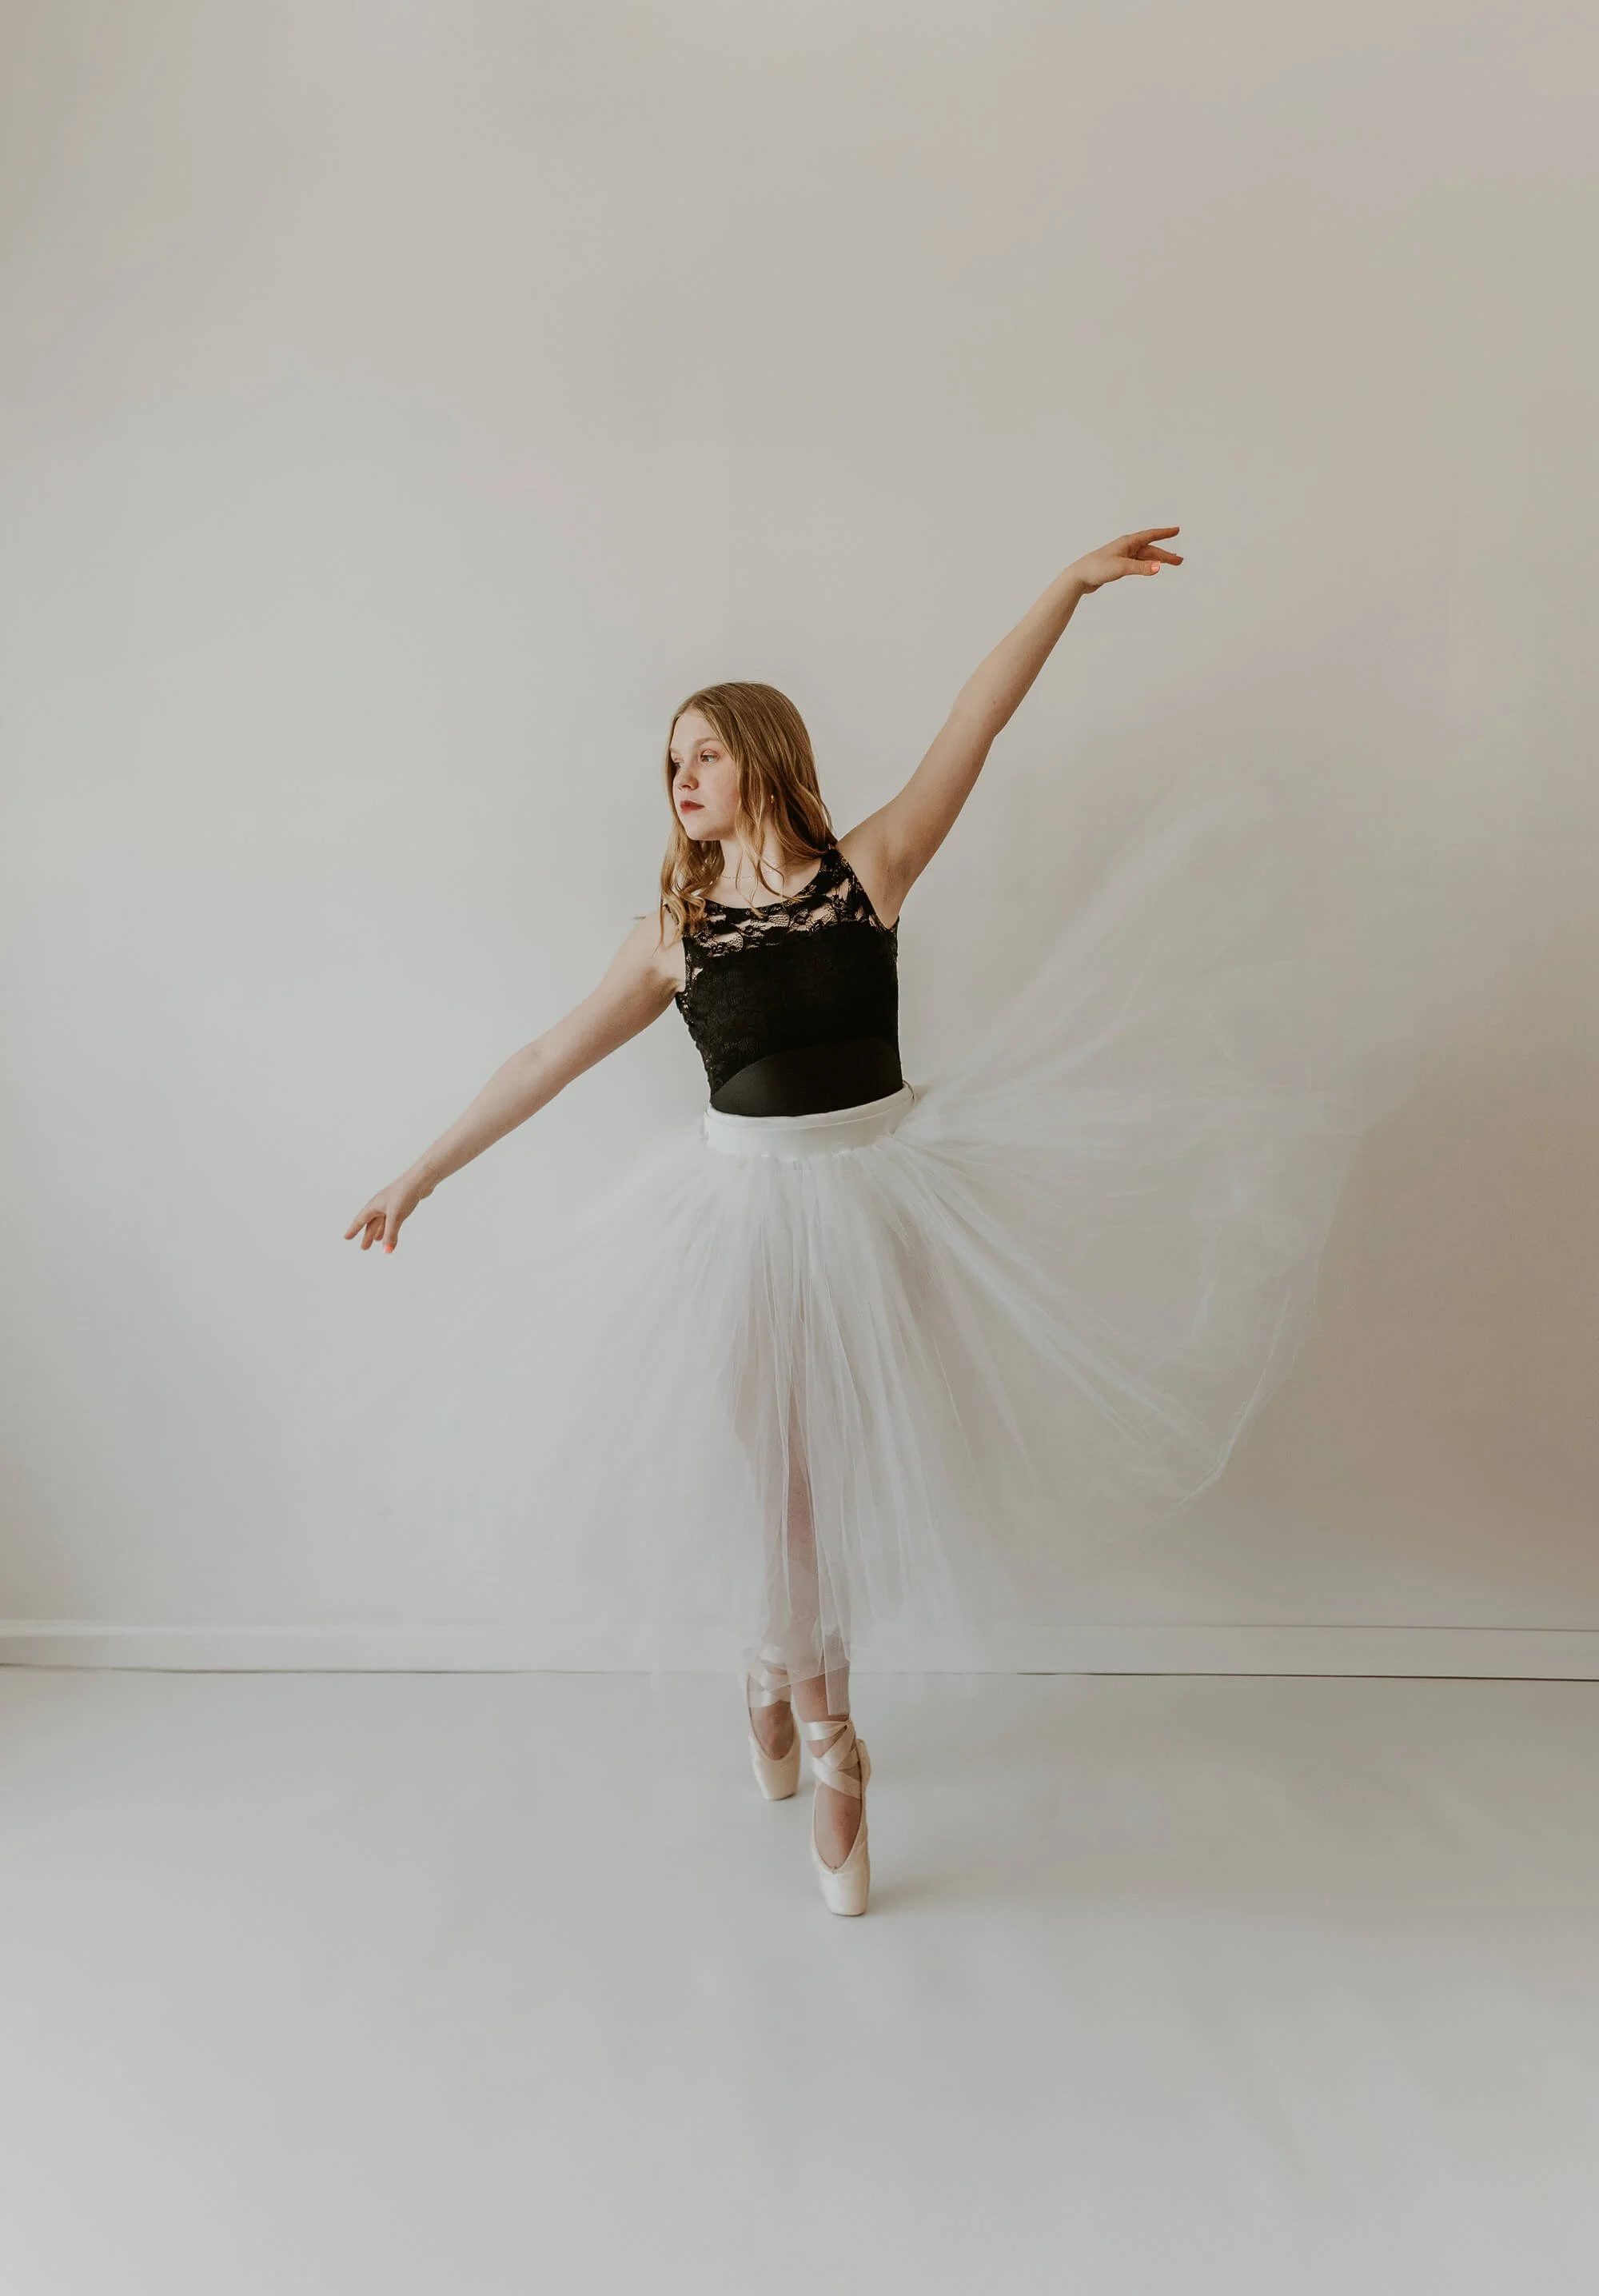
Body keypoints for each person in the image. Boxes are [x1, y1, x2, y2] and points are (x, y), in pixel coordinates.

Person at [345, 528, 1408, 1918]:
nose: (679, 782)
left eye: (703, 756)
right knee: (779, 1481)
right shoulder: (673, 933)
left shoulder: (873, 869)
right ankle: (827, 1723)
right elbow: (547, 1057)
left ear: (764, 759)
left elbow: (979, 714)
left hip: (877, 1202)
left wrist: (1066, 591)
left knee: (836, 1474)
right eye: (669, 765)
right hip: (737, 1224)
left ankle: (787, 1674)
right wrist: (418, 1172)